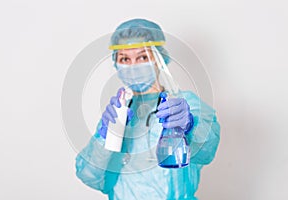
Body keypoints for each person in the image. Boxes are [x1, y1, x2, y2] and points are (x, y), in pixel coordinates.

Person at [75, 18, 220, 200]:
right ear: (116, 64)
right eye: (125, 59)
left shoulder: (183, 104)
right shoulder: (119, 111)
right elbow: (91, 177)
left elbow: (207, 152)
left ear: (159, 58)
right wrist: (104, 138)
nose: (133, 66)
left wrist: (190, 126)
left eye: (143, 57)